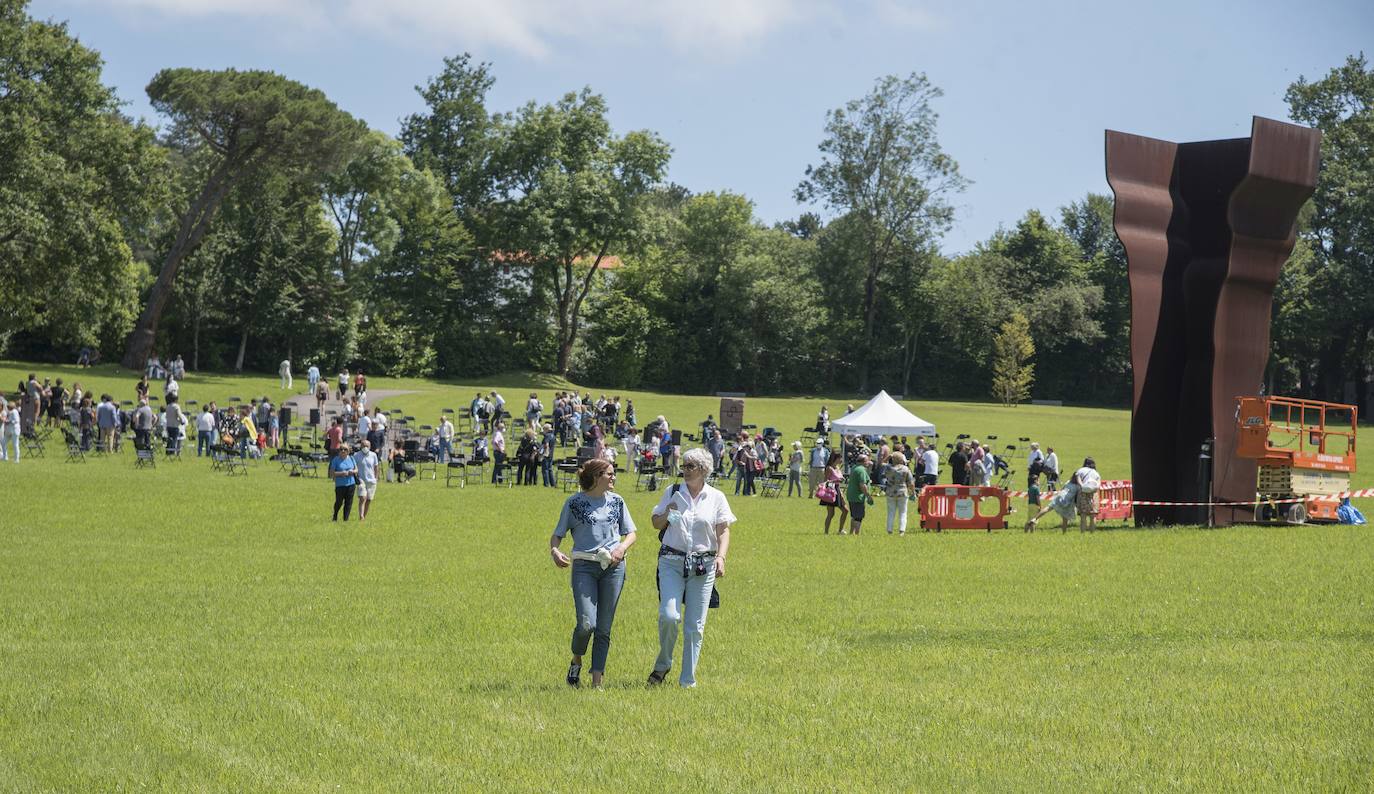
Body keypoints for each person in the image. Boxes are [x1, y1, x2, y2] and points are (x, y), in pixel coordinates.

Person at [648, 447, 734, 688]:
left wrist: (721, 557)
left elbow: (723, 530)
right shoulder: (673, 492)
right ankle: (664, 663)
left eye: (690, 466)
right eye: (683, 466)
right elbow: (656, 523)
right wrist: (668, 512)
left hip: (703, 566)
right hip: (671, 562)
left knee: (695, 626)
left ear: (704, 470)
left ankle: (688, 681)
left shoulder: (716, 497)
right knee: (669, 616)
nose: (684, 470)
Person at [548, 458, 637, 689]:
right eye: (609, 473)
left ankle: (597, 683)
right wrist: (555, 551)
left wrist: (622, 548)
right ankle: (576, 659)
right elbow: (558, 534)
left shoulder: (617, 502)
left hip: (614, 569)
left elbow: (631, 534)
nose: (613, 477)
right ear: (597, 476)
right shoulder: (574, 503)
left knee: (604, 628)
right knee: (587, 623)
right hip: (584, 568)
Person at [884, 452, 916, 535]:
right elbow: (911, 483)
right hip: (902, 492)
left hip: (890, 492)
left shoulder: (888, 468)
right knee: (903, 512)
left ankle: (889, 530)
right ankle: (902, 531)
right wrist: (913, 493)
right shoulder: (905, 469)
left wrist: (889, 456)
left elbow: (881, 463)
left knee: (891, 512)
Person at [820, 450, 848, 534]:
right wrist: (836, 480)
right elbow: (825, 481)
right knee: (831, 514)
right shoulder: (829, 468)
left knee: (846, 510)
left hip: (838, 490)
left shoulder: (838, 468)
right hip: (831, 491)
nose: (842, 460)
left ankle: (840, 530)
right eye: (840, 458)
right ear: (836, 458)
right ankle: (826, 532)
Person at [328, 443, 358, 521]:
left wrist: (353, 471)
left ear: (348, 451)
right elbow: (331, 473)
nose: (343, 451)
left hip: (351, 484)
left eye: (345, 449)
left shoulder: (351, 458)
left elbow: (356, 470)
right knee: (339, 502)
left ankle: (346, 519)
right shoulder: (336, 459)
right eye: (341, 449)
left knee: (348, 503)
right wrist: (342, 473)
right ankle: (335, 515)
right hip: (340, 485)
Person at [847, 452, 874, 534]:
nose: (868, 462)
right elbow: (862, 484)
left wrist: (870, 467)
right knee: (859, 517)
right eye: (867, 460)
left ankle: (851, 532)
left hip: (851, 495)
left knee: (854, 516)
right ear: (863, 461)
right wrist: (868, 495)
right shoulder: (861, 470)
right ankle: (857, 533)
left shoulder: (855, 467)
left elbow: (867, 476)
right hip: (858, 496)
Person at [354, 440, 379, 522]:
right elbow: (354, 467)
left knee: (368, 500)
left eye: (367, 446)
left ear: (370, 447)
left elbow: (376, 467)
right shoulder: (356, 455)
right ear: (360, 446)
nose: (365, 447)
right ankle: (361, 516)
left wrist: (376, 478)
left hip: (371, 481)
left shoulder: (373, 455)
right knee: (362, 498)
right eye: (363, 445)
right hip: (361, 480)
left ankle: (363, 517)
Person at [1074, 457, 1102, 532]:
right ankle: (1092, 533)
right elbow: (1099, 484)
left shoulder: (1080, 470)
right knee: (1093, 515)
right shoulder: (1096, 473)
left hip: (1083, 493)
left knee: (1083, 515)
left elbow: (1078, 480)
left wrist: (1083, 486)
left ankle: (1083, 533)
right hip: (1093, 494)